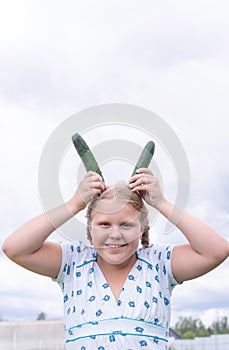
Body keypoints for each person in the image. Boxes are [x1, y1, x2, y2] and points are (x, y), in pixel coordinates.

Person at [2, 169, 229, 350]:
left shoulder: (160, 264)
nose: (115, 234)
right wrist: (74, 204)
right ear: (90, 227)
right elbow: (15, 248)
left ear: (142, 228)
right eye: (104, 224)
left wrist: (162, 203)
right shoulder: (73, 262)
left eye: (126, 224)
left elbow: (216, 250)